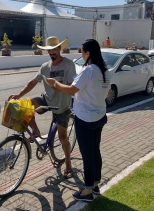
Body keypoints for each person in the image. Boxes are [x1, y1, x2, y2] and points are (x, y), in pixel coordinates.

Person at [46, 39, 110, 202]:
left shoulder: (88, 71)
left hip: (86, 119)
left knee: (87, 154)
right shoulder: (104, 71)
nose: (80, 54)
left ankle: (87, 191)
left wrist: (56, 84)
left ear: (88, 53)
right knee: (95, 152)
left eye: (82, 51)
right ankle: (95, 185)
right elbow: (107, 94)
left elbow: (71, 90)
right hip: (99, 116)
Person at [8, 36, 76, 179]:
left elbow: (71, 87)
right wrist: (19, 95)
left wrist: (58, 85)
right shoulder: (45, 67)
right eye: (49, 50)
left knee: (63, 138)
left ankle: (69, 165)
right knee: (28, 106)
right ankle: (36, 131)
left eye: (54, 49)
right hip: (48, 99)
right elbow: (33, 82)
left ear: (59, 49)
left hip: (62, 105)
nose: (52, 52)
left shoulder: (69, 65)